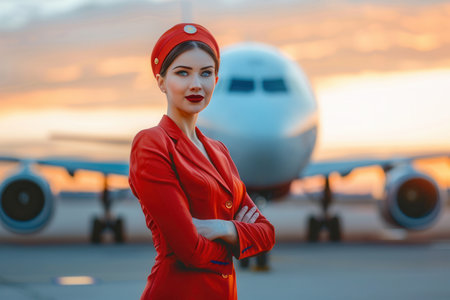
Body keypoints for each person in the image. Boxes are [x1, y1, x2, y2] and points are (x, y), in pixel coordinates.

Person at [128, 23, 275, 300]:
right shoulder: (152, 143)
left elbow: (267, 234)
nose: (196, 84)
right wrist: (239, 240)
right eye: (182, 73)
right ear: (161, 81)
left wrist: (220, 228)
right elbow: (189, 249)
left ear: (216, 81)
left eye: (206, 73)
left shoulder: (219, 151)